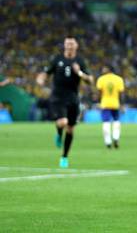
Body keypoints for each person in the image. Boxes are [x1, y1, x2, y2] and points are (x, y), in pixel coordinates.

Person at [36, 37, 94, 168]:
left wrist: (79, 73)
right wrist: (41, 79)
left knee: (70, 129)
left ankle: (64, 157)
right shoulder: (57, 59)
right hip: (57, 97)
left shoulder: (80, 61)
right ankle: (58, 133)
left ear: (76, 46)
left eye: (71, 44)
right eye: (67, 44)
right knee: (63, 122)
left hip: (73, 98)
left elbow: (90, 80)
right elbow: (45, 73)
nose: (69, 46)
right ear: (64, 45)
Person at [96, 65, 125, 148]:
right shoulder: (119, 79)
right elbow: (121, 94)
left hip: (105, 104)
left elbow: (99, 93)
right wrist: (122, 105)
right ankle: (116, 138)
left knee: (106, 122)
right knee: (116, 121)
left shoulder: (101, 79)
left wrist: (98, 102)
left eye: (104, 68)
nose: (102, 70)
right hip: (116, 103)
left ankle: (108, 142)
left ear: (108, 69)